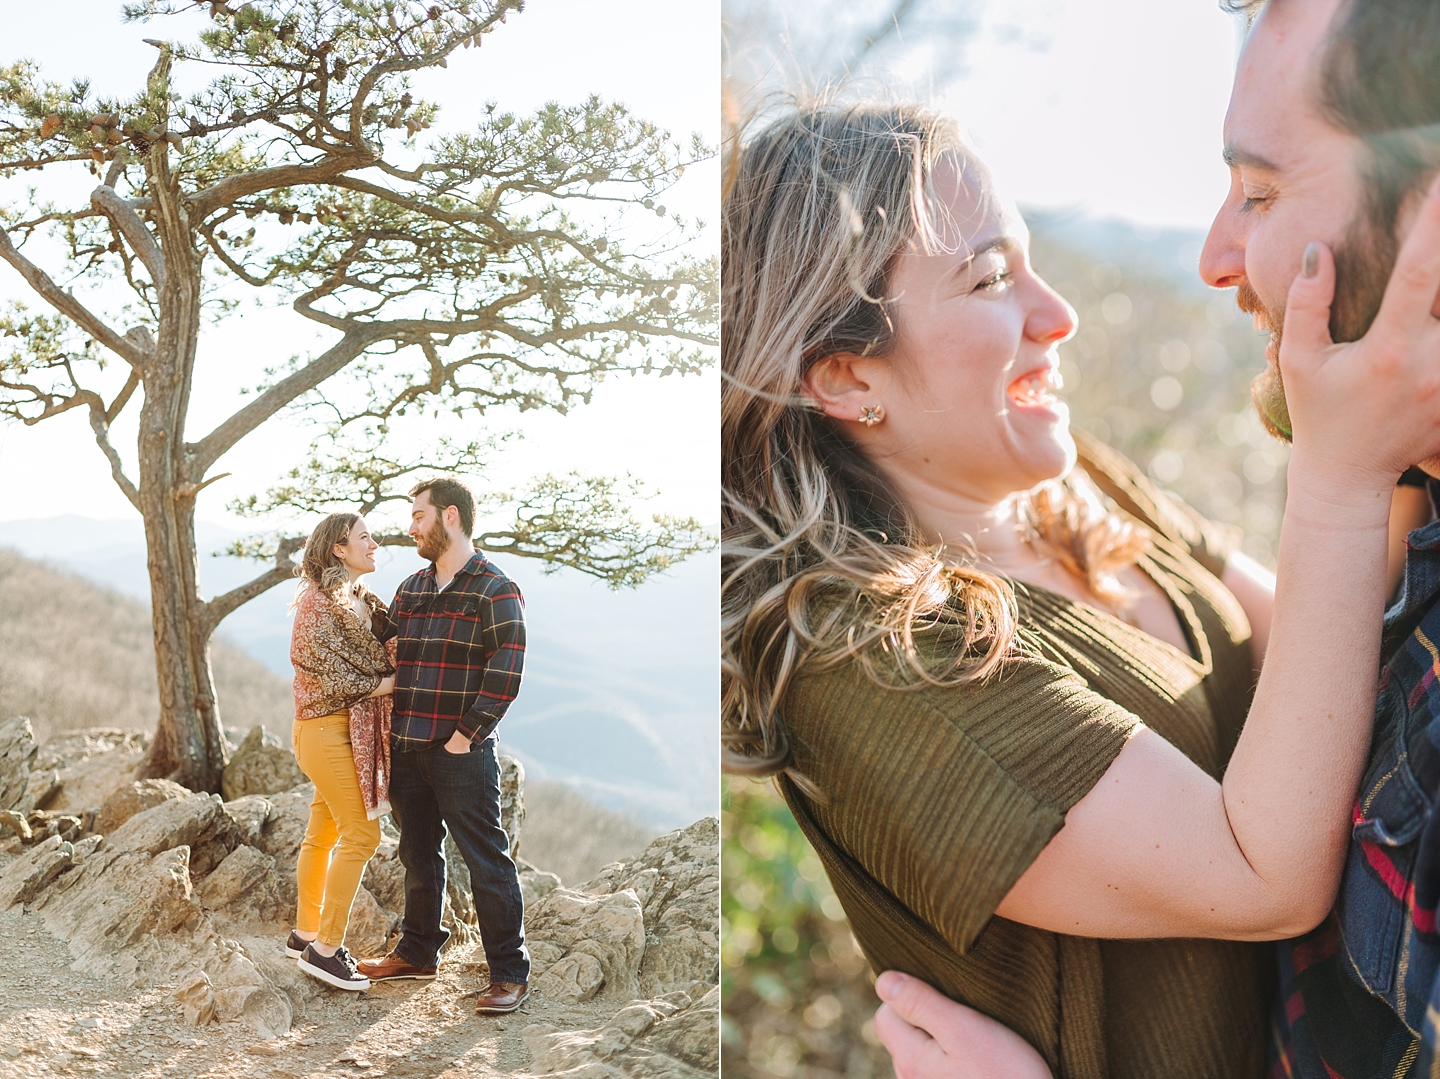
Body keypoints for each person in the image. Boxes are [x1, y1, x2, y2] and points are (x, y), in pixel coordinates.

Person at [720, 78, 1440, 1079]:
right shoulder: (872, 660)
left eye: (1030, 262)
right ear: (844, 376)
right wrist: (1341, 470)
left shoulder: (1069, 482)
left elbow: (1345, 651)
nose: (1055, 314)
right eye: (986, 280)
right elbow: (1261, 873)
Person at [356, 477, 531, 1015]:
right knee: (418, 854)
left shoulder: (494, 589)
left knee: (486, 860)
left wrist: (463, 737)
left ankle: (508, 973)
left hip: (460, 753)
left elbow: (507, 672)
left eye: (418, 517)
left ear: (449, 517)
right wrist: (348, 596)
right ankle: (418, 953)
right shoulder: (411, 588)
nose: (410, 528)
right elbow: (389, 645)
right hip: (407, 746)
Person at [287, 512, 396, 991]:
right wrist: (392, 683)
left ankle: (304, 934)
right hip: (325, 729)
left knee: (324, 831)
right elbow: (326, 672)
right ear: (338, 548)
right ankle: (325, 950)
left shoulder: (357, 598)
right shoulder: (318, 604)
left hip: (341, 730)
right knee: (363, 836)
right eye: (364, 537)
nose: (375, 544)